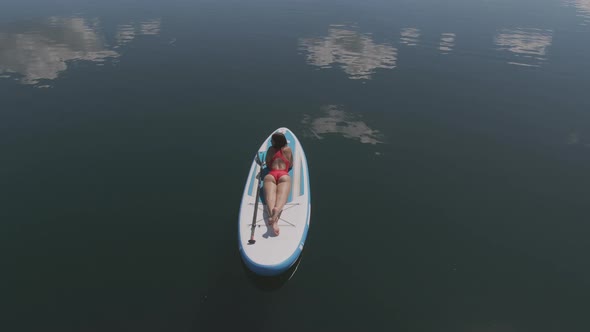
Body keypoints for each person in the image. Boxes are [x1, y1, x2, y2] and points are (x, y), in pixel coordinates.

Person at [263, 132, 293, 236]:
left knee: (269, 198)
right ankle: (276, 211)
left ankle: (274, 221)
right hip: (284, 175)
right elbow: (291, 164)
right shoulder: (288, 150)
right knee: (282, 197)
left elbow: (267, 163)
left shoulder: (271, 150)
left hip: (271, 175)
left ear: (276, 142)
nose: (271, 142)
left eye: (272, 140)